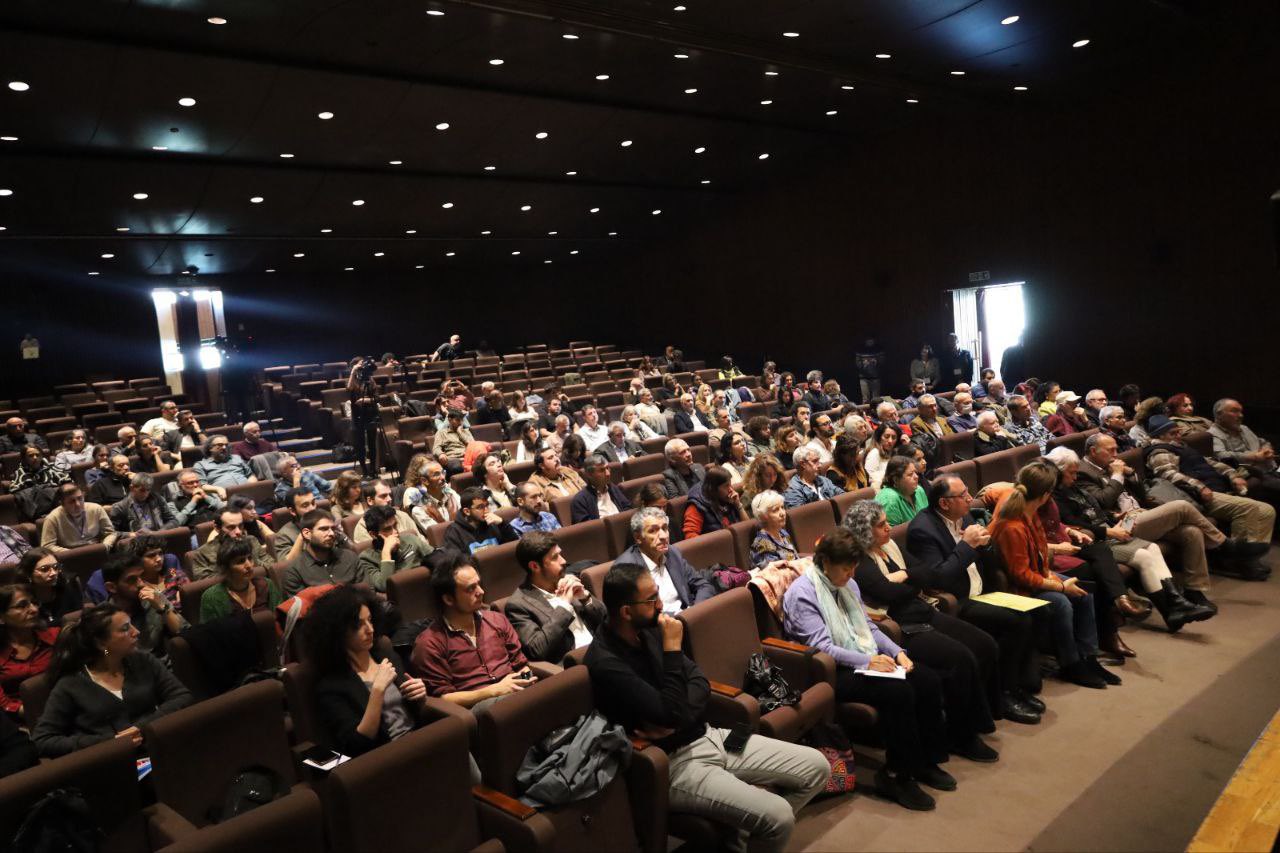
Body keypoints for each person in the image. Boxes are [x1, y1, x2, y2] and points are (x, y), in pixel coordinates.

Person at [587, 563, 829, 848]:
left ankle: (743, 834)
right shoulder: (606, 662)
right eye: (652, 599)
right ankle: (751, 828)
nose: (662, 604)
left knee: (818, 767)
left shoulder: (650, 627)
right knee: (780, 816)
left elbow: (699, 680)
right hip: (675, 765)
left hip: (713, 734)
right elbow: (670, 710)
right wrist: (673, 651)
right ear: (626, 612)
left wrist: (678, 717)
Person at [783, 527, 952, 811]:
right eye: (845, 569)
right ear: (825, 563)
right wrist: (868, 661)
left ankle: (925, 761)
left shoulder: (848, 584)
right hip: (830, 673)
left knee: (926, 679)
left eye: (854, 568)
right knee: (899, 692)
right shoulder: (803, 593)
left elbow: (869, 628)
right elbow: (822, 648)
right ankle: (897, 775)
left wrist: (897, 652)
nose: (851, 575)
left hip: (861, 658)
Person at [843, 501, 998, 760]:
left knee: (984, 644)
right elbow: (886, 592)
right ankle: (961, 735)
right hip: (901, 627)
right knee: (961, 659)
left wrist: (905, 576)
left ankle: (982, 716)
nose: (889, 527)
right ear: (864, 531)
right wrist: (912, 581)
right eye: (881, 525)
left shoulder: (890, 547)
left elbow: (927, 573)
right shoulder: (859, 560)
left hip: (923, 610)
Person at [906, 475, 1043, 723]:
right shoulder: (922, 530)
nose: (971, 498)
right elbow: (939, 579)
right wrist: (967, 546)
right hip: (959, 601)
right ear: (944, 503)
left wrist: (986, 544)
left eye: (968, 492)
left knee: (1037, 610)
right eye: (963, 495)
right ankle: (1004, 694)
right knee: (1017, 622)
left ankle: (1017, 684)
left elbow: (989, 560)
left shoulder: (965, 516)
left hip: (984, 591)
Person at [1046, 447, 1217, 632]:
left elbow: (1096, 511)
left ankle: (1177, 604)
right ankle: (1171, 610)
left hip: (1109, 528)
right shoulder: (1055, 496)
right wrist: (1109, 532)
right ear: (1059, 472)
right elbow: (1073, 523)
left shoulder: (1074, 487)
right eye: (1071, 473)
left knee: (1153, 548)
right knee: (1144, 555)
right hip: (1094, 540)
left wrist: (1117, 518)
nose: (1075, 477)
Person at [986, 462, 1114, 689]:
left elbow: (1040, 551)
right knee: (1062, 602)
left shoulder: (1030, 512)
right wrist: (1059, 586)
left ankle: (1088, 657)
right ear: (1045, 495)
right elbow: (1020, 576)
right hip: (1015, 589)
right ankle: (1071, 663)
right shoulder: (1012, 525)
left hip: (1037, 575)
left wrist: (1051, 576)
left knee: (1085, 593)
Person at [32, 604, 192, 757]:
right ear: (101, 643)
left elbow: (182, 696)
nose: (135, 632)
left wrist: (142, 728)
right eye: (125, 629)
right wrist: (109, 743)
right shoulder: (70, 684)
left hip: (158, 748)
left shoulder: (143, 660)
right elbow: (43, 740)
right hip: (113, 764)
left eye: (131, 625)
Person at [307, 585, 433, 757]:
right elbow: (357, 744)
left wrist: (419, 695)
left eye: (370, 620)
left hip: (418, 740)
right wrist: (377, 691)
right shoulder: (332, 686)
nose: (370, 630)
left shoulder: (385, 655)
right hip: (384, 758)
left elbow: (411, 712)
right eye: (359, 625)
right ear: (338, 632)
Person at [411, 554, 532, 709]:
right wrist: (493, 691)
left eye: (479, 584)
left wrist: (527, 680)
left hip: (516, 693)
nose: (481, 591)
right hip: (478, 708)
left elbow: (520, 664)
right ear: (448, 599)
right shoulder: (429, 643)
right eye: (471, 589)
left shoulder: (496, 620)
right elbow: (443, 698)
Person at [1144, 416, 1275, 552]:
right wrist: (1200, 488)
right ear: (1160, 435)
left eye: (1178, 431)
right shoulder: (1159, 451)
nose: (1178, 435)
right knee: (1249, 508)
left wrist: (1233, 475)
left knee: (1267, 511)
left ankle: (1252, 556)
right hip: (1196, 496)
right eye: (1173, 433)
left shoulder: (1179, 445)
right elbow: (1168, 474)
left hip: (1215, 487)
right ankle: (1237, 557)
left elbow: (1209, 462)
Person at [504, 531, 606, 663]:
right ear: (535, 566)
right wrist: (564, 606)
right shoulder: (518, 605)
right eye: (555, 557)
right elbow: (536, 650)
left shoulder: (567, 580)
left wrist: (585, 598)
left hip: (602, 649)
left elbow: (607, 621)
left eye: (560, 554)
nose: (563, 561)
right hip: (576, 666)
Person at [613, 508, 715, 614]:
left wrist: (694, 612)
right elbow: (637, 615)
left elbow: (703, 585)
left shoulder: (672, 553)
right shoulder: (627, 568)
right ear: (638, 537)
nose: (663, 536)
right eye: (653, 531)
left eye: (665, 528)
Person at [100, 550, 189, 659]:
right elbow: (102, 655)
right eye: (132, 580)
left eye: (141, 577)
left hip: (163, 665)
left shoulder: (154, 598)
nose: (141, 584)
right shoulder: (101, 617)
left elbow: (184, 632)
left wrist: (162, 609)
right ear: (112, 587)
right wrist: (108, 651)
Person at [0, 583, 60, 719]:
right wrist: (37, 715)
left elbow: (103, 651)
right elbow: (4, 704)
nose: (34, 610)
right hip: (20, 721)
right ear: (1, 617)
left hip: (66, 706)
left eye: (34, 603)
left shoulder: (56, 636)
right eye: (22, 606)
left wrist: (107, 653)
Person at [1210, 398, 1280, 509]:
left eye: (1241, 411)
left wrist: (1267, 449)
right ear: (1219, 415)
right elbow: (1220, 456)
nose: (1241, 415)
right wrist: (1254, 457)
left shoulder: (1244, 428)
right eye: (1235, 411)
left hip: (1274, 468)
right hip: (1259, 475)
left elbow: (1263, 441)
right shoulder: (1212, 434)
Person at [199, 538, 284, 622]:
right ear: (226, 568)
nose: (249, 565)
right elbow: (210, 633)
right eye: (240, 561)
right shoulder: (211, 598)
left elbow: (280, 620)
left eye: (250, 558)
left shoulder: (266, 585)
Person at [281, 511, 364, 596]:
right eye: (324, 529)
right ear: (307, 534)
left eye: (333, 529)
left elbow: (367, 592)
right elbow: (301, 607)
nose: (331, 533)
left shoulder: (350, 557)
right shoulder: (294, 572)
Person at [356, 505, 431, 593]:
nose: (395, 532)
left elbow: (435, 557)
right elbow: (385, 586)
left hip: (426, 586)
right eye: (387, 529)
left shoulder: (410, 539)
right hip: (402, 598)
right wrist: (386, 554)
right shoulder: (366, 558)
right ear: (373, 534)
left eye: (395, 526)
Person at [192, 506, 276, 579]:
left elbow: (272, 565)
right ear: (217, 527)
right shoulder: (202, 554)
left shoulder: (251, 541)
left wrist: (252, 559)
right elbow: (208, 585)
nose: (238, 532)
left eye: (240, 526)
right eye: (231, 527)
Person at [40, 482, 118, 553]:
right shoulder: (52, 518)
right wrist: (73, 553)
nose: (78, 504)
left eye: (80, 498)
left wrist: (104, 546)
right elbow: (47, 546)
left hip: (98, 551)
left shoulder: (96, 509)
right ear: (62, 504)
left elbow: (110, 533)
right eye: (71, 501)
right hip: (71, 558)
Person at [442, 487, 519, 555]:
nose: (486, 510)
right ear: (467, 511)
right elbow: (457, 563)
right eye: (480, 507)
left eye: (487, 505)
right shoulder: (454, 532)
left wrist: (502, 524)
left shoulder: (493, 523)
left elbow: (515, 548)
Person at [682, 466, 743, 539]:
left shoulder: (728, 498)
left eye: (730, 484)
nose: (731, 489)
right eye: (726, 486)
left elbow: (746, 528)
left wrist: (738, 505)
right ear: (713, 489)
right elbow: (690, 537)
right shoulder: (697, 505)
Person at [108, 472, 179, 534]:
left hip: (160, 538)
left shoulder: (157, 499)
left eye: (148, 490)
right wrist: (132, 534)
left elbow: (173, 521)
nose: (146, 494)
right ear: (132, 488)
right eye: (142, 490)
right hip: (137, 544)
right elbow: (112, 533)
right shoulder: (120, 507)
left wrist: (158, 533)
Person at [571, 454, 632, 523]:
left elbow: (628, 508)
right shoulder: (580, 500)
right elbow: (586, 529)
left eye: (607, 468)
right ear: (589, 475)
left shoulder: (612, 488)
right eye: (602, 470)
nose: (608, 473)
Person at [749, 491, 801, 572]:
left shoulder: (783, 533)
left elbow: (795, 559)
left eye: (782, 507)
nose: (782, 513)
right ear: (762, 516)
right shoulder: (762, 544)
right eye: (775, 510)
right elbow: (777, 575)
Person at [403, 457, 459, 532]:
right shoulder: (413, 494)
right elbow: (438, 534)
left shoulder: (446, 489)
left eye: (442, 472)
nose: (442, 478)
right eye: (436, 474)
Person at [351, 481, 418, 543]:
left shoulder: (402, 515)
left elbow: (420, 539)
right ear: (370, 501)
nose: (390, 499)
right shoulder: (362, 527)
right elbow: (369, 554)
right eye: (383, 496)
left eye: (390, 495)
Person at [875, 456, 928, 525]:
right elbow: (890, 533)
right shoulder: (889, 499)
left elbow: (929, 517)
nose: (916, 477)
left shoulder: (919, 490)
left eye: (915, 472)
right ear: (896, 480)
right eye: (910, 474)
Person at [741, 453, 787, 517]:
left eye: (775, 474)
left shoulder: (778, 488)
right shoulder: (748, 497)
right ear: (758, 476)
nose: (772, 479)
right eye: (768, 476)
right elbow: (751, 523)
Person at [432, 409, 474, 476]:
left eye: (461, 420)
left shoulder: (466, 432)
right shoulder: (441, 433)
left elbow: (472, 445)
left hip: (468, 457)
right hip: (453, 459)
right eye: (457, 420)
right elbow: (436, 448)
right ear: (450, 420)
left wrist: (460, 433)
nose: (460, 423)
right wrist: (440, 454)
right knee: (457, 467)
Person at [865, 423, 902, 490]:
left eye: (894, 438)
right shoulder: (874, 453)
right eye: (886, 437)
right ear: (879, 437)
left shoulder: (894, 453)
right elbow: (870, 479)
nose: (890, 441)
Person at [856, 338, 885, 403]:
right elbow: (857, 364)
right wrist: (864, 365)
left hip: (875, 377)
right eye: (868, 340)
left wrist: (875, 361)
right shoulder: (860, 350)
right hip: (863, 378)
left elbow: (882, 362)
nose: (870, 342)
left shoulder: (878, 349)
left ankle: (876, 412)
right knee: (865, 399)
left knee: (876, 398)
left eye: (871, 340)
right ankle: (866, 413)